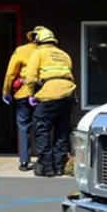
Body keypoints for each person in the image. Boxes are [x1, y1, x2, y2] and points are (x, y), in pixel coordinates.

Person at [24, 26, 76, 177]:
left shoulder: (38, 53)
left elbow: (31, 76)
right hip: (68, 93)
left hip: (50, 93)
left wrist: (30, 94)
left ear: (39, 40)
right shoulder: (64, 54)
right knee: (62, 129)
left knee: (41, 127)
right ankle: (59, 166)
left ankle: (47, 167)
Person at [1, 29, 39, 171]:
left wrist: (6, 91)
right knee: (43, 126)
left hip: (23, 93)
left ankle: (24, 161)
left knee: (24, 126)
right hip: (43, 93)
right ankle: (44, 159)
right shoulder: (49, 52)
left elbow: (11, 72)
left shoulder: (22, 50)